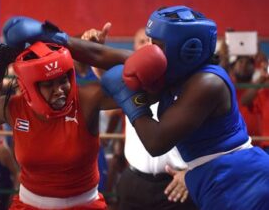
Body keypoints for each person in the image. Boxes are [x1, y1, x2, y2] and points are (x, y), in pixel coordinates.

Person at [0, 5, 269, 210]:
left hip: (240, 180)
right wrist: (49, 34)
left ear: (187, 48)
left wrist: (131, 98)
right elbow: (100, 54)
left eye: (156, 43)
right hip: (212, 179)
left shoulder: (206, 82)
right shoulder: (175, 69)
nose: (149, 49)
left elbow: (157, 141)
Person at [0, 41, 119, 209]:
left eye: (63, 80)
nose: (59, 91)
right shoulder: (12, 107)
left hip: (85, 204)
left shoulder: (86, 100)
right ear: (29, 87)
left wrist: (90, 51)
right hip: (29, 204)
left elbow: (143, 83)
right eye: (48, 85)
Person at [83, 26, 197, 209]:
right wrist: (96, 49)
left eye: (151, 41)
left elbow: (214, 137)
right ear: (133, 48)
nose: (146, 45)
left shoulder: (186, 83)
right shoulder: (129, 82)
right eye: (141, 42)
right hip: (134, 180)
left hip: (176, 182)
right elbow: (107, 78)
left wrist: (193, 174)